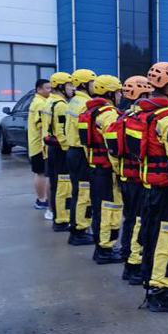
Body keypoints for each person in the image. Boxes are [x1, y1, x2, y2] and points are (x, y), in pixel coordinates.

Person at [133, 63, 168, 312]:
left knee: (151, 238)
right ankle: (159, 291)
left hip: (147, 186)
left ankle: (150, 283)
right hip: (167, 190)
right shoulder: (167, 118)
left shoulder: (140, 113)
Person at [79, 75, 125, 264]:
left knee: (99, 210)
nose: (121, 95)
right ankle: (106, 249)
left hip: (94, 167)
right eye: (118, 92)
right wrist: (120, 171)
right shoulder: (108, 115)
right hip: (107, 171)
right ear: (110, 93)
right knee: (110, 210)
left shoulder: (89, 111)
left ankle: (101, 247)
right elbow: (113, 148)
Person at [114, 76, 153, 284]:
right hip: (139, 179)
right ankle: (134, 265)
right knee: (139, 221)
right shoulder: (141, 119)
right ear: (142, 94)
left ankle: (127, 254)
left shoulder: (122, 117)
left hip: (123, 177)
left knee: (129, 218)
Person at [65, 68, 97, 246]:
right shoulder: (85, 104)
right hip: (81, 153)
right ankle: (79, 230)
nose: (96, 86)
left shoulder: (74, 101)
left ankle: (77, 227)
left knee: (78, 192)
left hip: (73, 151)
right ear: (85, 84)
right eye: (93, 83)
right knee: (84, 193)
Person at [42, 72, 74, 232]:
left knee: (56, 185)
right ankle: (62, 219)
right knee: (63, 186)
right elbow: (62, 131)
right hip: (60, 149)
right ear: (61, 86)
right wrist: (68, 149)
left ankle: (58, 216)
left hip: (52, 148)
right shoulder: (61, 105)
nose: (72, 88)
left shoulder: (50, 102)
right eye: (69, 85)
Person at [28, 79, 51, 211]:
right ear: (39, 89)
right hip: (39, 145)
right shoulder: (40, 104)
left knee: (40, 172)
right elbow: (42, 124)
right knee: (41, 173)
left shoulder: (38, 102)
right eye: (47, 88)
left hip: (36, 143)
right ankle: (42, 199)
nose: (50, 90)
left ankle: (41, 198)